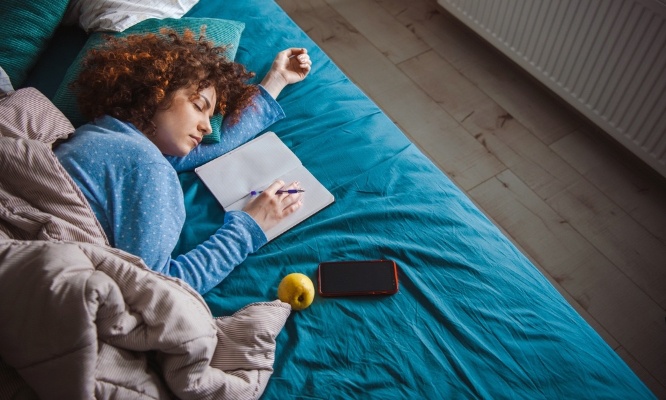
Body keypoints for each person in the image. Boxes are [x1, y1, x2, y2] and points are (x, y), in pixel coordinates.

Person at [54, 28, 311, 294]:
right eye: (199, 106)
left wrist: (276, 80)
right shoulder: (148, 166)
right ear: (156, 91)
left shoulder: (99, 135)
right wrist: (249, 227)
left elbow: (213, 145)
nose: (208, 128)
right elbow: (154, 289)